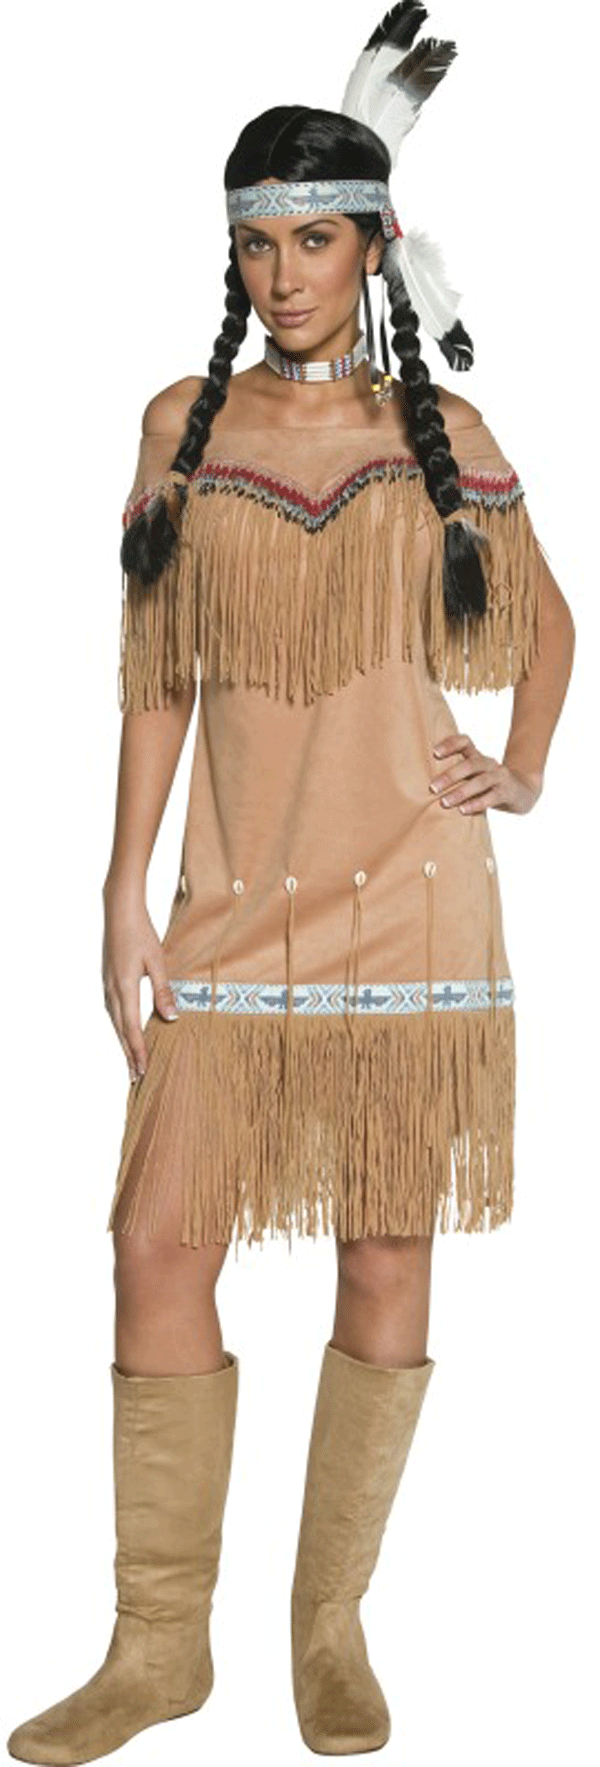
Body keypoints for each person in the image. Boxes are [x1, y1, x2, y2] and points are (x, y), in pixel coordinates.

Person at [7, 7, 575, 1762]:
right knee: (153, 1244)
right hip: (231, 904)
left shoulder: (439, 428)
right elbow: (157, 677)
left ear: (373, 245)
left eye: (315, 240)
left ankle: (328, 1623)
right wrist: (123, 894)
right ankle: (156, 1646)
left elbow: (550, 629)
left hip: (412, 901)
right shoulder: (181, 426)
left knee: (386, 1251)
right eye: (258, 245)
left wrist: (522, 769)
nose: (283, 276)